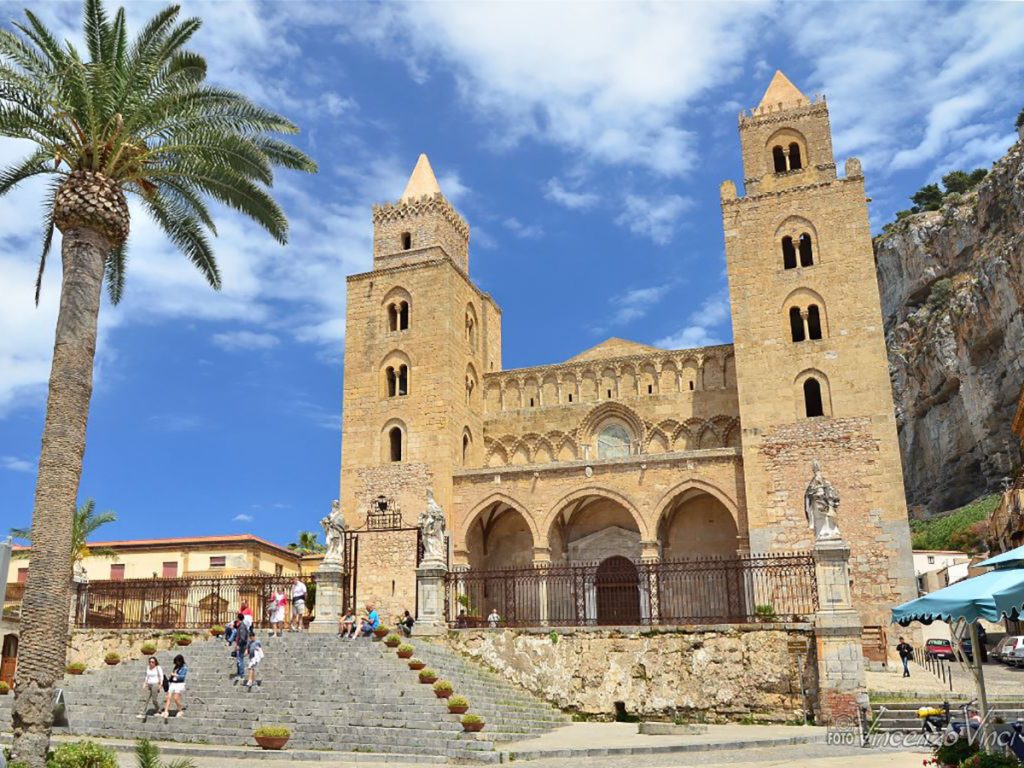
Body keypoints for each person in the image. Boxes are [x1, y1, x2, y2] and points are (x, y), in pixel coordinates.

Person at [136, 656, 164, 721]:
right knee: (146, 699)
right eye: (150, 662)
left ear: (155, 662)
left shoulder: (158, 668)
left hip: (155, 684)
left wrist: (161, 684)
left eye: (153, 662)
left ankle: (158, 710)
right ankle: (142, 713)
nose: (151, 663)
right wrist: (145, 683)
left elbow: (161, 676)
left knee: (154, 700)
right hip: (149, 684)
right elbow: (147, 676)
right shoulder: (148, 668)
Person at [233, 612, 250, 682]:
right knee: (239, 660)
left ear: (238, 618)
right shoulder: (240, 626)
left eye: (237, 618)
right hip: (241, 645)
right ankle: (239, 673)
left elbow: (242, 638)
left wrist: (238, 645)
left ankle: (241, 675)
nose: (236, 619)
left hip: (242, 646)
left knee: (240, 660)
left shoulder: (242, 626)